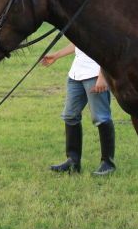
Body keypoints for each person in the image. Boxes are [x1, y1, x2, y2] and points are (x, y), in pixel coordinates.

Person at [40, 42, 116, 176]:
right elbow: (78, 42)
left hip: (95, 74)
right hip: (75, 74)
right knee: (70, 116)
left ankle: (108, 164)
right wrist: (56, 55)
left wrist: (103, 75)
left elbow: (108, 47)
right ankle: (73, 161)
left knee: (101, 117)